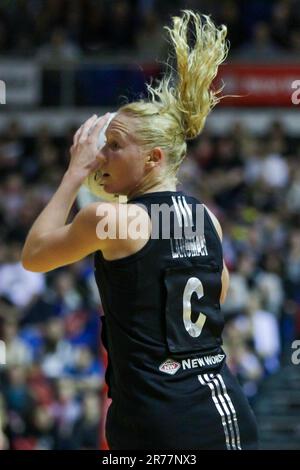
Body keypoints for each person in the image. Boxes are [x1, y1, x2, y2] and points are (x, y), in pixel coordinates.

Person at [21, 11, 258, 450]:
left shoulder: (112, 219)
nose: (101, 157)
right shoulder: (208, 219)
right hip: (225, 408)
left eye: (114, 147)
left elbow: (34, 254)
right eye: (102, 147)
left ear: (152, 159)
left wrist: (74, 173)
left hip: (157, 416)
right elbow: (216, 295)